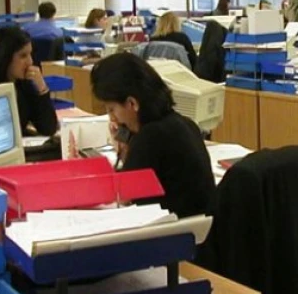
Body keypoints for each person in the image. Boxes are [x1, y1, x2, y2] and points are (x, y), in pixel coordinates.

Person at [91, 54, 215, 218]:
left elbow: (124, 197)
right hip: (198, 228)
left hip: (173, 230)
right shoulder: (185, 123)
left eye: (112, 109)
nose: (112, 118)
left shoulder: (149, 138)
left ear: (132, 103)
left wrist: (123, 148)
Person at [0, 26, 58, 137]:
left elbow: (48, 128)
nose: (30, 62)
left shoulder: (23, 84)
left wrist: (42, 87)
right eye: (23, 56)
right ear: (5, 57)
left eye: (30, 54)